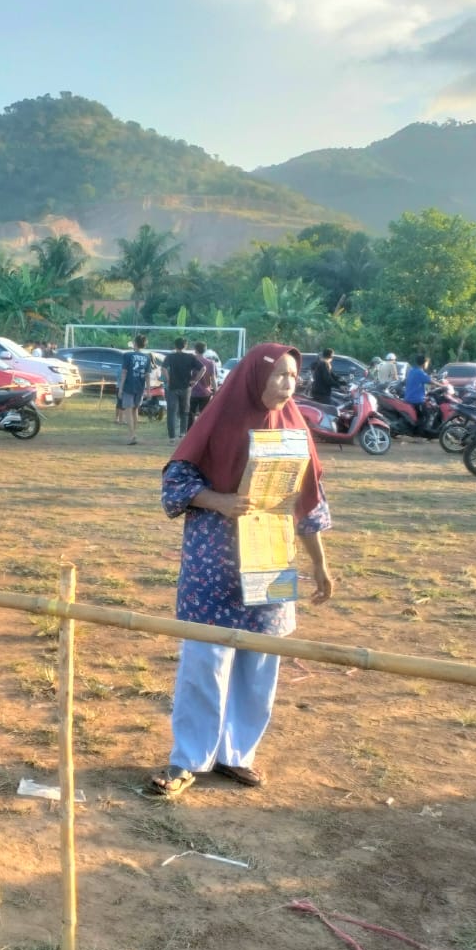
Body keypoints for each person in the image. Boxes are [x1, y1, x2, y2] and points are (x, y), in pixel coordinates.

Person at [146, 344, 334, 797]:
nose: (288, 384)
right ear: (255, 376)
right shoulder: (220, 419)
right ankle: (188, 758)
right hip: (214, 562)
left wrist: (320, 565)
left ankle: (236, 754)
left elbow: (307, 504)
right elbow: (176, 483)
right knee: (205, 662)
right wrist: (220, 501)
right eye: (280, 375)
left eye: (294, 376)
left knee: (259, 662)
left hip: (270, 556)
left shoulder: (295, 429)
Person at [161, 337, 205, 441]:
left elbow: (163, 368)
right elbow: (203, 368)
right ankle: (182, 433)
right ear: (185, 346)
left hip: (173, 387)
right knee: (184, 411)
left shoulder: (170, 356)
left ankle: (172, 437)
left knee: (171, 412)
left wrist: (168, 379)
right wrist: (195, 380)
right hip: (186, 387)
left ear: (175, 345)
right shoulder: (190, 357)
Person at [117, 334, 152, 445]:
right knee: (135, 410)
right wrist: (149, 390)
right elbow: (147, 375)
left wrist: (120, 388)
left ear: (135, 343)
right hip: (140, 387)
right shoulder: (147, 357)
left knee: (128, 410)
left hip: (128, 386)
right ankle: (133, 433)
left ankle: (132, 435)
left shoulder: (127, 355)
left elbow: (124, 372)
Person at [189, 341, 218, 424]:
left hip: (192, 392)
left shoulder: (190, 361)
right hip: (205, 393)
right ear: (205, 350)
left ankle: (190, 430)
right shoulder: (210, 363)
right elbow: (213, 379)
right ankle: (202, 430)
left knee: (190, 414)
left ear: (195, 350)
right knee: (204, 415)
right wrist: (216, 391)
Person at [403, 354, 432, 426]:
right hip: (417, 400)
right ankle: (421, 430)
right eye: (427, 363)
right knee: (426, 416)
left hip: (408, 398)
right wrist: (442, 385)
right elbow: (430, 381)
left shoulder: (412, 370)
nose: (427, 364)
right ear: (424, 363)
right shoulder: (420, 372)